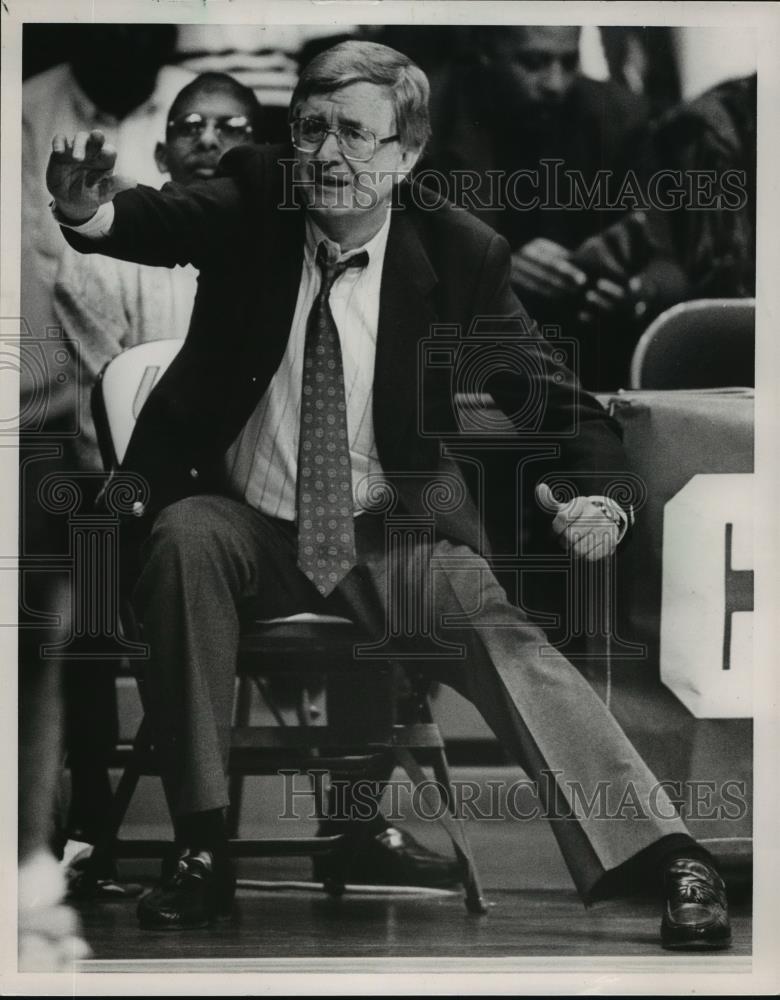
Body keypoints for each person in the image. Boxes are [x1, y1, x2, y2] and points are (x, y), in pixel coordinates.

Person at [46, 40, 730, 949]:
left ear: (406, 156)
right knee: (182, 541)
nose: (330, 156)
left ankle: (668, 854)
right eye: (312, 131)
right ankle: (202, 849)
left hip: (388, 536)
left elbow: (564, 411)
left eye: (359, 137)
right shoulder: (258, 196)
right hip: (243, 520)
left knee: (503, 634)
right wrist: (86, 213)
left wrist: (600, 499)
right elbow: (161, 220)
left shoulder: (459, 252)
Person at [54, 68, 457, 892]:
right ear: (164, 147)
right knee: (115, 545)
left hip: (325, 505)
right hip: (189, 495)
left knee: (391, 548)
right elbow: (131, 397)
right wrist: (87, 213)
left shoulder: (329, 239)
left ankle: (356, 816)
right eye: (193, 128)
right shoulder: (229, 228)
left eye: (236, 130)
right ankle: (142, 828)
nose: (215, 144)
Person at [426, 25, 651, 388]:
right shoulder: (423, 118)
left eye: (570, 61)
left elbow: (670, 255)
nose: (556, 84)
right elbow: (391, 265)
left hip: (592, 358)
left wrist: (631, 289)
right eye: (533, 63)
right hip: (460, 363)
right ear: (484, 52)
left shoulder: (620, 114)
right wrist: (490, 273)